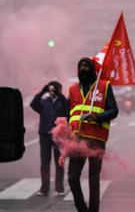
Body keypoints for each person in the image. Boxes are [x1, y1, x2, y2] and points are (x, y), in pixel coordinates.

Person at [67, 57, 119, 212]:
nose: (83, 68)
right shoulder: (72, 90)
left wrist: (97, 117)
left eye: (86, 66)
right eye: (80, 66)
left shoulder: (104, 86)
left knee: (93, 181)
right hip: (77, 141)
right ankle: (82, 209)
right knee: (72, 178)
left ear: (92, 69)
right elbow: (68, 115)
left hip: (96, 139)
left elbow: (114, 110)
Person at [30, 81, 67, 196]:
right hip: (45, 135)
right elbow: (33, 104)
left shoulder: (62, 102)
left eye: (55, 89)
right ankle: (44, 188)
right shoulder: (43, 102)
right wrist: (42, 91)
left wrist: (59, 94)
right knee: (45, 163)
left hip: (59, 136)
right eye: (51, 89)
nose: (53, 91)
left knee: (59, 162)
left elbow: (67, 107)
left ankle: (59, 188)